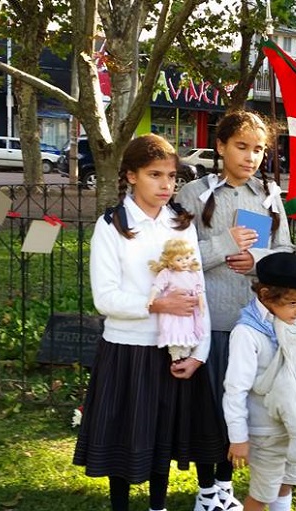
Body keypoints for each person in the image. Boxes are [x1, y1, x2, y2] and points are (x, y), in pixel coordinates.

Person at [73, 134, 227, 511]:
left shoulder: (180, 223)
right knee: (125, 444)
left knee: (162, 440)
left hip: (173, 352)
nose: (166, 185)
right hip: (127, 350)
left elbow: (197, 291)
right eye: (154, 174)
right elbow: (105, 298)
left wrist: (200, 354)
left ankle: (158, 506)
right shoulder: (112, 226)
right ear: (130, 176)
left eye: (172, 176)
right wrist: (156, 304)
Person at [176, 110, 296, 511]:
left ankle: (225, 486)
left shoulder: (268, 196)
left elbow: (285, 251)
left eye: (259, 149)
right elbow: (176, 257)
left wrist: (258, 262)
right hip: (207, 321)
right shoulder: (194, 194)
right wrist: (225, 245)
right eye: (242, 147)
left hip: (253, 324)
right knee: (208, 406)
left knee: (241, 405)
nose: (250, 157)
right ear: (221, 146)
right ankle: (207, 487)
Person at [223, 252, 296, 511]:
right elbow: (235, 389)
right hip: (264, 431)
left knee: (287, 482)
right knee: (262, 494)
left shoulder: (293, 324)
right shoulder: (247, 333)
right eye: (293, 303)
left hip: (294, 426)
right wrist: (238, 438)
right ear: (266, 294)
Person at [148, 238, 207, 361]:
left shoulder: (193, 275)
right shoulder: (168, 273)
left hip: (188, 311)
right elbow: (157, 287)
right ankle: (175, 354)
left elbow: (199, 292)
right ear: (171, 261)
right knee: (173, 330)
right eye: (179, 259)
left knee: (188, 329)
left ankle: (185, 352)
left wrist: (201, 307)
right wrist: (151, 299)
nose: (184, 262)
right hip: (172, 311)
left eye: (187, 257)